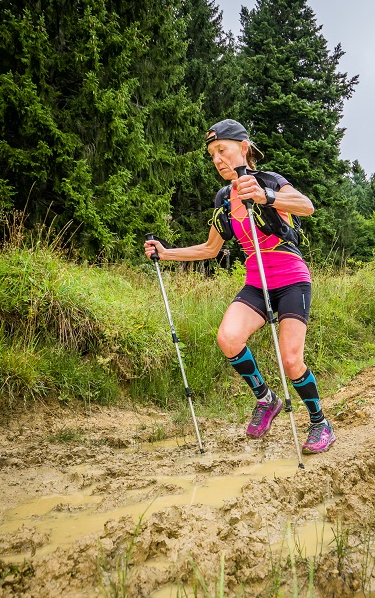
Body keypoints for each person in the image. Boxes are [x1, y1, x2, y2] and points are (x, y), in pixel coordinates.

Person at [144, 119, 336, 454]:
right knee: (228, 337)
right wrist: (165, 252)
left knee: (291, 360)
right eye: (212, 154)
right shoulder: (223, 198)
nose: (216, 159)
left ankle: (319, 423)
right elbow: (209, 249)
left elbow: (307, 206)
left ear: (243, 148)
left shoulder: (269, 180)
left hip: (291, 277)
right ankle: (266, 398)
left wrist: (267, 196)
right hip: (256, 282)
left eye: (222, 150)